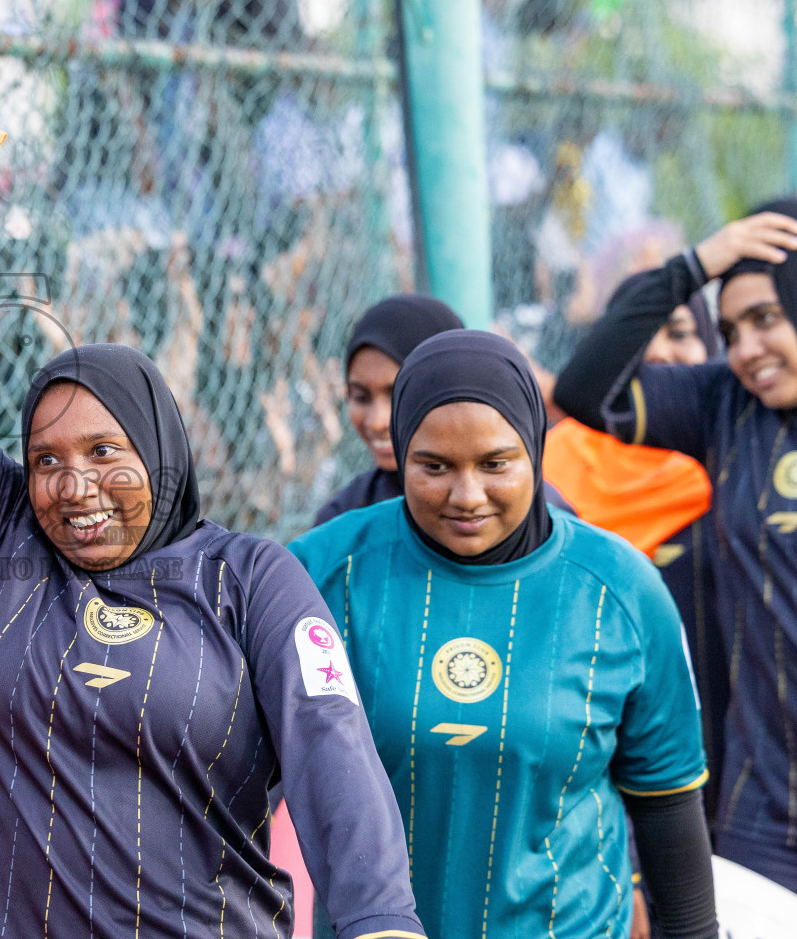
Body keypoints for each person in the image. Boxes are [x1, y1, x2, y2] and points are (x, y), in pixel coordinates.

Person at [0, 166, 424, 939]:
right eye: (47, 460)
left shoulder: (250, 579)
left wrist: (380, 920)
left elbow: (329, 742)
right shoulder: (2, 545)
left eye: (104, 451)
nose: (74, 484)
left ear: (162, 449)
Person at [289, 330, 716, 939]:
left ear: (537, 451)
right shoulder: (323, 573)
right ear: (401, 454)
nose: (467, 496)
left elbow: (667, 801)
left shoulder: (618, 589)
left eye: (496, 464)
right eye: (433, 466)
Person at [553, 200, 797, 894]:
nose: (746, 348)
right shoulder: (725, 403)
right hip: (766, 816)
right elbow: (583, 387)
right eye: (731, 329)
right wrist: (692, 268)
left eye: (766, 319)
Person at [544, 293, 726, 816]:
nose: (658, 353)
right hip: (592, 767)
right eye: (640, 337)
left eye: (681, 333)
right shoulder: (550, 470)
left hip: (732, 761)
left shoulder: (730, 466)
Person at [315, 295, 463, 525]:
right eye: (361, 397)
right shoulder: (342, 522)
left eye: (398, 396)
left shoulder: (507, 509)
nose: (376, 422)